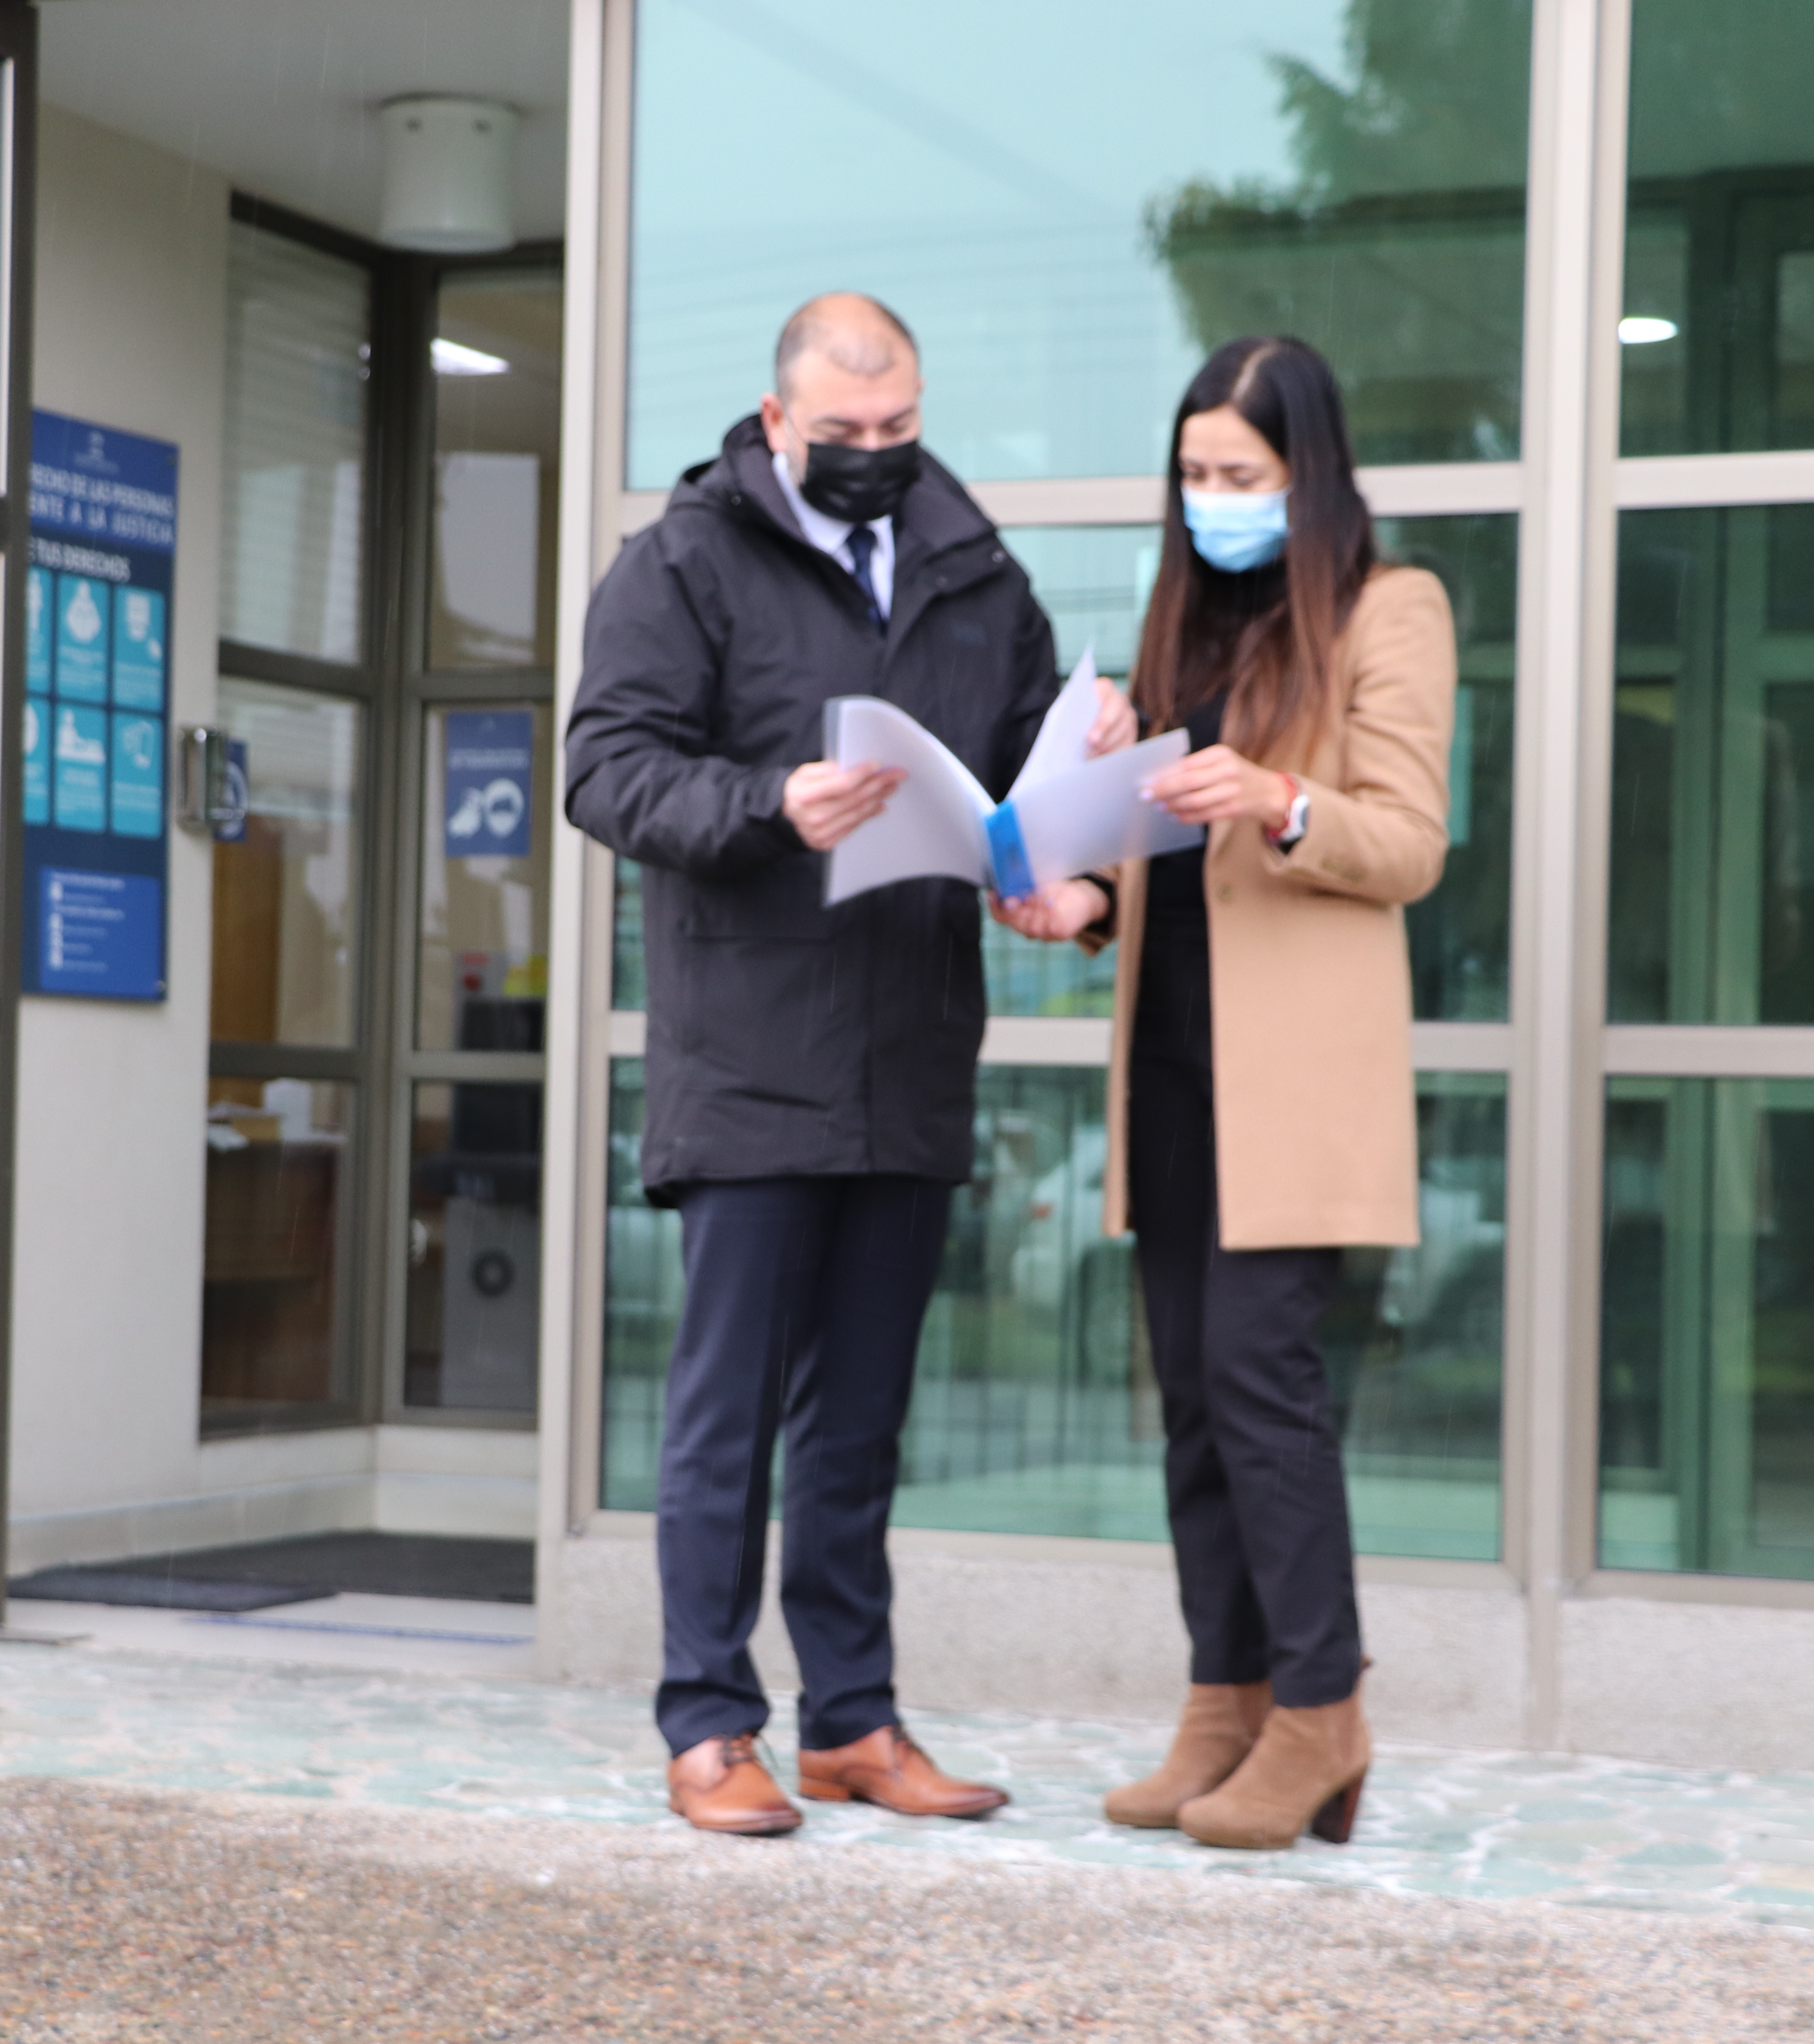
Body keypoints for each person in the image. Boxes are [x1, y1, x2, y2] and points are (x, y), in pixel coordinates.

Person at [565, 292, 1126, 1836]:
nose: (877, 457)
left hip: (910, 1051)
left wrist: (1076, 856)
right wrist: (769, 804)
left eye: (901, 431)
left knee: (863, 1419)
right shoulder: (680, 561)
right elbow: (605, 767)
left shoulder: (972, 567)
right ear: (774, 420)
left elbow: (1028, 780)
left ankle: (853, 1724)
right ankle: (707, 1724)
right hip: (749, 1058)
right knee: (725, 1413)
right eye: (845, 436)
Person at [995, 335, 1453, 1850]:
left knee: (1265, 1386)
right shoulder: (1181, 619)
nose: (1212, 502)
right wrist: (1085, 899)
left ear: (1308, 474)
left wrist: (1277, 794)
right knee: (1191, 1398)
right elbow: (1163, 869)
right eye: (1194, 475)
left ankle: (1322, 1713)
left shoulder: (1392, 610)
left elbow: (1406, 844)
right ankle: (1227, 1701)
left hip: (1295, 1086)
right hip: (1177, 1068)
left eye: (1241, 477)